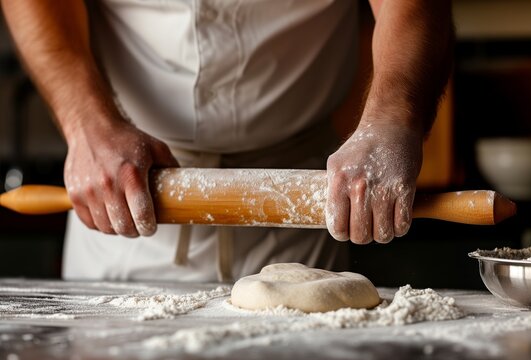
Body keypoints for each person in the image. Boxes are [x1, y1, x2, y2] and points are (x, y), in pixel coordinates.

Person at [1, 0, 453, 282]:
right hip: (122, 198)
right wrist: (86, 125)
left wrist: (393, 120)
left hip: (301, 213)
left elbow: (411, 6)